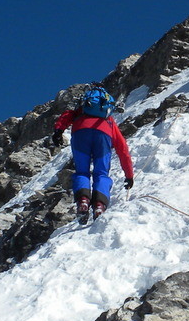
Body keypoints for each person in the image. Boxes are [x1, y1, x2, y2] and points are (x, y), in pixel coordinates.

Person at [52, 85, 135, 222]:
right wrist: (129, 175)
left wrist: (58, 131)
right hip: (103, 135)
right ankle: (99, 205)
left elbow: (66, 115)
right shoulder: (109, 120)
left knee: (82, 172)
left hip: (80, 132)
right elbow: (122, 148)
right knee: (101, 173)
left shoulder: (81, 111)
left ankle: (83, 201)